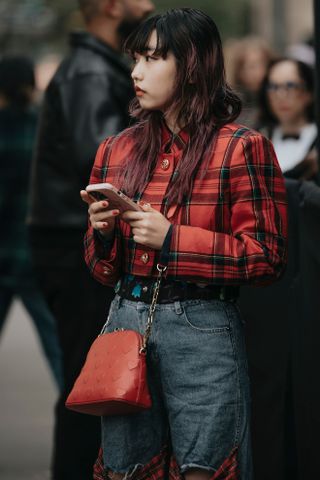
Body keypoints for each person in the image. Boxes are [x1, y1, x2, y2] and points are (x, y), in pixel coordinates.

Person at [81, 8, 288, 480]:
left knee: (206, 469)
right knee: (125, 470)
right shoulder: (116, 149)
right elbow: (100, 268)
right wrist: (104, 232)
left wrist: (173, 240)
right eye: (136, 59)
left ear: (192, 64)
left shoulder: (240, 147)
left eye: (153, 59)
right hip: (125, 321)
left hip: (204, 326)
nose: (136, 72)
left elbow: (268, 257)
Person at [28, 0, 155, 478]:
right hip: (73, 244)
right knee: (92, 385)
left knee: (93, 381)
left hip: (70, 241)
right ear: (110, 6)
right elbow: (107, 168)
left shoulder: (98, 67)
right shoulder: (90, 74)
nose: (148, 5)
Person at [0, 55, 63, 391]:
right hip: (34, 255)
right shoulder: (44, 126)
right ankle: (79, 422)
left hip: (4, 254)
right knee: (57, 347)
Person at [258, 58, 317, 181]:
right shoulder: (257, 138)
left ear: (309, 93)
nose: (281, 95)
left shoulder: (316, 140)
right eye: (273, 87)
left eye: (290, 86)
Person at [224, 36, 275, 128]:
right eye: (252, 67)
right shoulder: (233, 107)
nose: (261, 72)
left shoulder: (275, 99)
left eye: (265, 64)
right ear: (238, 71)